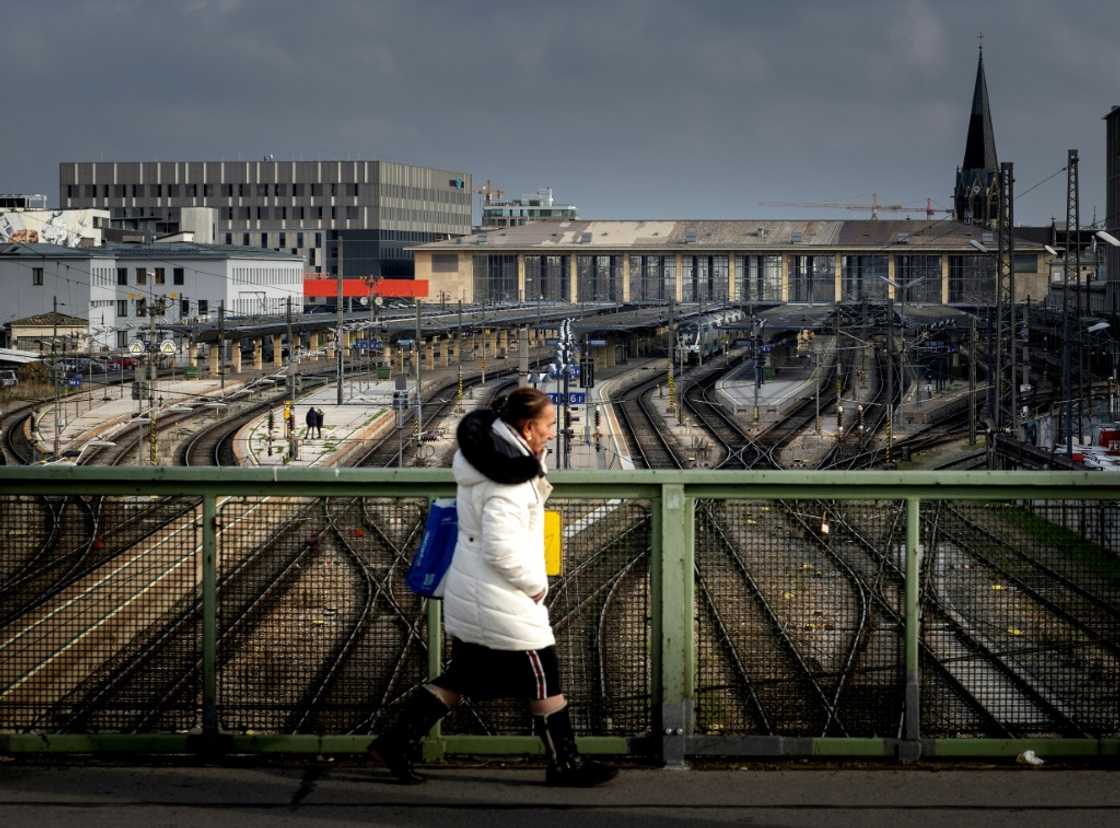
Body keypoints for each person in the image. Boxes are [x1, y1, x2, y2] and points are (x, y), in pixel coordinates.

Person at [368, 387, 617, 788]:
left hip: (477, 592)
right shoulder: (508, 480)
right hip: (503, 598)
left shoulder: (489, 459)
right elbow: (501, 548)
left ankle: (395, 741)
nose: (554, 432)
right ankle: (564, 765)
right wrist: (536, 584)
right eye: (549, 424)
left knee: (465, 677)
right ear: (527, 426)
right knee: (543, 674)